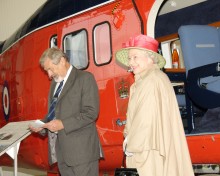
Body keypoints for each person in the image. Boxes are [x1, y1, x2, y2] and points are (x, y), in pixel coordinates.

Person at [115, 34, 194, 176]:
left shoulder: (150, 80)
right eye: (129, 58)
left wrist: (130, 145)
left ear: (150, 58)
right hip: (149, 148)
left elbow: (145, 121)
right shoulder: (150, 79)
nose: (131, 62)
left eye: (135, 57)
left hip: (146, 150)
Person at [29, 47, 103, 176]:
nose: (49, 75)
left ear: (62, 61)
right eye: (47, 71)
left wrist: (63, 124)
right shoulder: (54, 84)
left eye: (51, 69)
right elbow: (53, 114)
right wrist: (42, 125)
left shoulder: (85, 78)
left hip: (83, 154)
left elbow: (91, 112)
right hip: (62, 154)